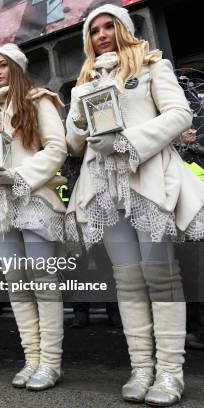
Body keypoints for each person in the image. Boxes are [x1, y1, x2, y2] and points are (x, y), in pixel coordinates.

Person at [65, 5, 204, 405]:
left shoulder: (151, 65)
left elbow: (179, 114)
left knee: (161, 276)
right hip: (103, 186)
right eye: (95, 30)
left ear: (123, 29)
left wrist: (128, 140)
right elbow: (74, 144)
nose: (102, 34)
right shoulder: (83, 83)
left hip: (145, 179)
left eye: (110, 26)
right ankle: (141, 369)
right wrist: (77, 119)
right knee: (127, 281)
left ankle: (170, 373)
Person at [0, 43, 67, 390]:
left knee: (43, 282)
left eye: (2, 65)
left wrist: (17, 176)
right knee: (16, 284)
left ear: (16, 67)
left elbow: (57, 149)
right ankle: (31, 359)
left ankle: (51, 363)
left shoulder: (39, 99)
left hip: (33, 198)